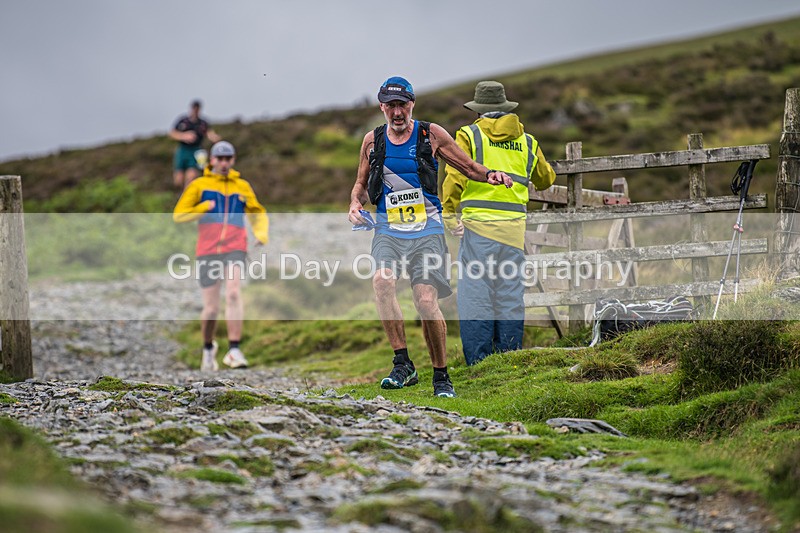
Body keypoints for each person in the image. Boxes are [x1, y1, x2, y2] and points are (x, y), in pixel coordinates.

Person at [348, 76, 514, 398]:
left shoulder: (430, 134)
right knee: (382, 281)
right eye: (391, 106)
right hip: (388, 230)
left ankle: (441, 377)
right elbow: (360, 184)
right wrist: (355, 203)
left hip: (428, 231)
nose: (397, 113)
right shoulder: (372, 140)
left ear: (412, 104)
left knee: (425, 301)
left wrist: (491, 175)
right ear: (382, 107)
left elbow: (467, 167)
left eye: (403, 105)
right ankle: (403, 364)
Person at [442, 80, 556, 365]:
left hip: (478, 230)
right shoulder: (528, 141)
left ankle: (481, 364)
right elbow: (546, 179)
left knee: (476, 297)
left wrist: (448, 214)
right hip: (514, 232)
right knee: (509, 297)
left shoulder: (469, 135)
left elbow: (455, 177)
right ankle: (508, 362)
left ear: (478, 110)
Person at [173, 141, 269, 371]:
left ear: (233, 160)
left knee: (234, 293)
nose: (224, 163)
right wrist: (203, 207)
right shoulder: (200, 185)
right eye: (220, 158)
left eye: (229, 158)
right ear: (212, 160)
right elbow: (179, 215)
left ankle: (234, 350)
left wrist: (261, 233)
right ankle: (208, 347)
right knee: (211, 309)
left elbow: (257, 212)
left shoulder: (242, 186)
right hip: (207, 250)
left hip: (235, 247)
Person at [169, 100, 221, 189]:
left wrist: (215, 138)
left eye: (198, 109)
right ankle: (180, 192)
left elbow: (210, 133)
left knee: (191, 176)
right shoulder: (183, 121)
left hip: (196, 150)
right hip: (183, 149)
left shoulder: (203, 123)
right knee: (178, 180)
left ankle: (187, 195)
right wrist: (183, 136)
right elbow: (172, 133)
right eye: (194, 108)